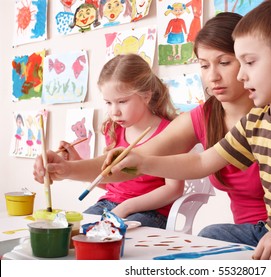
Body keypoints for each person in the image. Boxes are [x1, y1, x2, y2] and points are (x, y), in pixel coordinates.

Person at [107, 0, 271, 260]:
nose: (241, 75)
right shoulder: (257, 121)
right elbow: (201, 161)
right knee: (208, 239)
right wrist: (143, 162)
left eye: (249, 63)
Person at [33, 13, 267, 234]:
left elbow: (194, 164)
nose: (213, 76)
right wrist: (65, 169)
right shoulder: (204, 117)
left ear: (248, 61)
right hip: (248, 237)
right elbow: (129, 162)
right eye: (204, 65)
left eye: (224, 62)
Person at [35, 53, 184, 229]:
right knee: (75, 233)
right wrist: (77, 163)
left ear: (146, 96)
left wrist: (127, 206)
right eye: (108, 103)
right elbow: (111, 182)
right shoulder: (114, 129)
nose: (115, 112)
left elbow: (174, 190)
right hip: (108, 205)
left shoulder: (170, 132)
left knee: (118, 240)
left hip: (150, 211)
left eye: (122, 101)